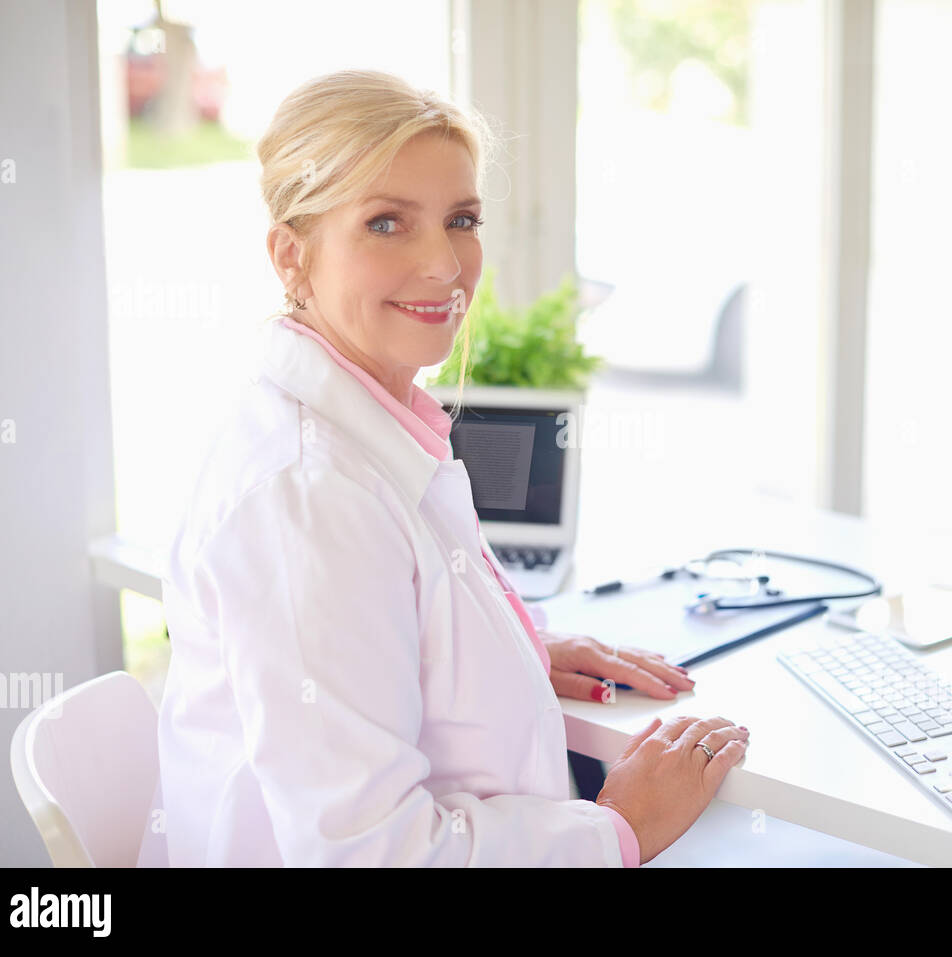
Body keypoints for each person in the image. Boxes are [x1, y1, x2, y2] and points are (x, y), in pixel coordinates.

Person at [145, 70, 749, 867]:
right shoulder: (308, 495)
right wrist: (618, 830)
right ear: (292, 255)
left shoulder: (362, 422)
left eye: (461, 219)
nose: (443, 264)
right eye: (387, 222)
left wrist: (506, 648)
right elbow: (370, 854)